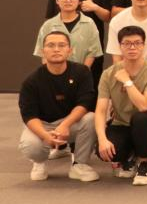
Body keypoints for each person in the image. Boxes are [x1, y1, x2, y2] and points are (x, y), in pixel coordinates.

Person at [17, 31, 99, 183]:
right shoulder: (32, 81)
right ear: (43, 51)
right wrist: (45, 135)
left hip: (71, 124)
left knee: (91, 119)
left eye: (61, 45)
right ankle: (39, 163)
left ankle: (79, 165)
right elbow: (29, 116)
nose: (56, 49)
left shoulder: (81, 72)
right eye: (51, 45)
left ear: (70, 50)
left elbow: (85, 103)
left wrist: (65, 125)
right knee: (31, 145)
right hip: (43, 125)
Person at [94, 26, 147, 186]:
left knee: (141, 117)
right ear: (120, 46)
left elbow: (144, 105)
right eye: (127, 43)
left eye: (137, 43)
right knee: (107, 151)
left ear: (143, 45)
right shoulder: (108, 73)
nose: (132, 47)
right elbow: (100, 110)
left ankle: (144, 163)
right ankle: (131, 155)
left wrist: (127, 81)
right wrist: (102, 139)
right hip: (122, 124)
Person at [34, 0, 103, 70]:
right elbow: (43, 53)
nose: (68, 0)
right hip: (54, 73)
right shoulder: (48, 25)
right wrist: (51, 72)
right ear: (57, 0)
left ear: (79, 1)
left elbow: (93, 52)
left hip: (81, 74)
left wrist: (82, 72)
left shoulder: (89, 23)